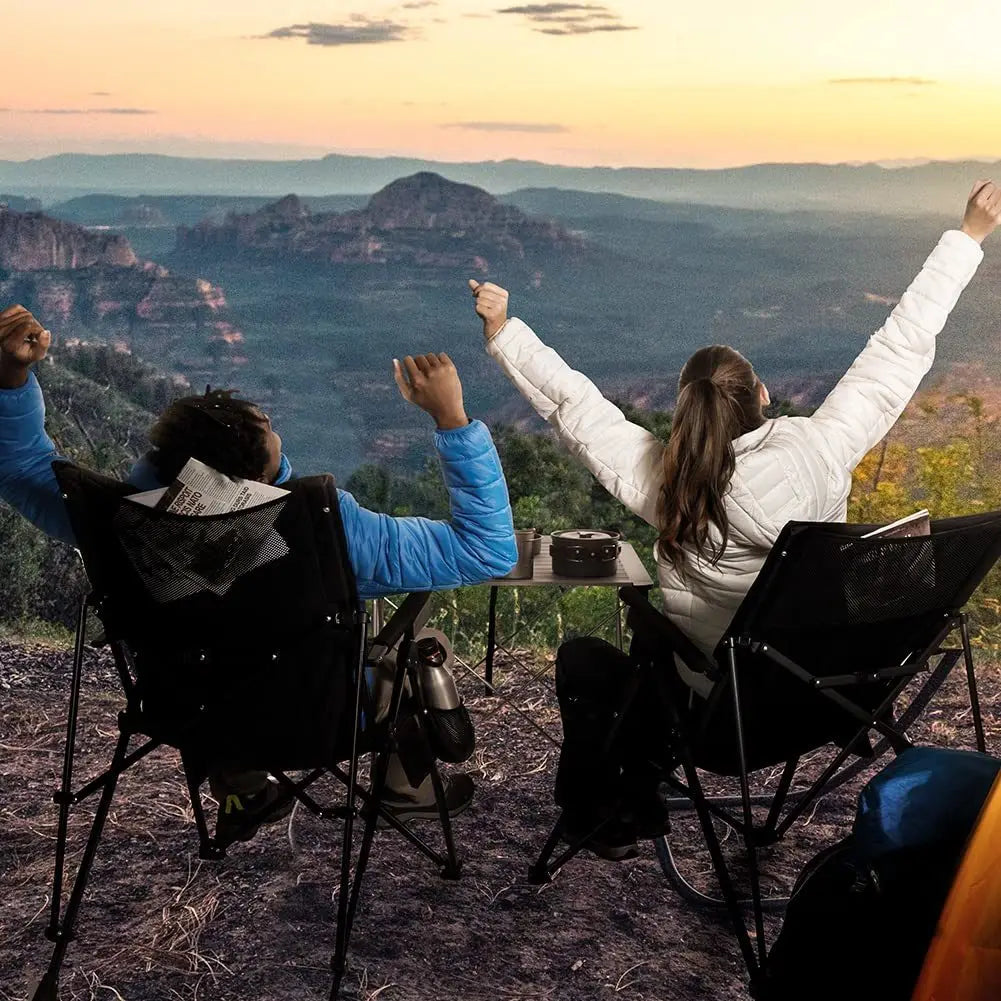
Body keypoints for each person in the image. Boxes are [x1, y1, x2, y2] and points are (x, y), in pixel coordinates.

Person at [469, 180, 1001, 859]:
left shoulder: (674, 486)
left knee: (588, 656)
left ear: (687, 415)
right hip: (834, 698)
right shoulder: (823, 445)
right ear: (762, 397)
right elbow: (895, 351)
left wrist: (504, 331)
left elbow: (579, 410)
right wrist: (966, 237)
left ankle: (609, 813)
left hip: (724, 724)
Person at [0, 298, 517, 845]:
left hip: (187, 710)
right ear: (262, 464)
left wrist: (11, 374)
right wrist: (452, 419)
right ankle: (406, 790)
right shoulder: (328, 532)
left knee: (218, 644)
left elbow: (21, 467)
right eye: (267, 428)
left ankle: (243, 785)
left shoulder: (121, 521)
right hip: (320, 718)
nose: (274, 427)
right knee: (419, 645)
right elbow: (485, 549)